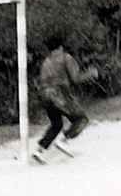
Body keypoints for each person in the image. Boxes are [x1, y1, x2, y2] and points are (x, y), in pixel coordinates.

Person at [32, 33, 99, 164]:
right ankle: (64, 140)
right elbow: (76, 79)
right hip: (59, 93)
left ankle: (39, 150)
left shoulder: (46, 61)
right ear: (61, 46)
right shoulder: (65, 58)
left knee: (56, 124)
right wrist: (90, 74)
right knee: (81, 119)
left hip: (44, 95)